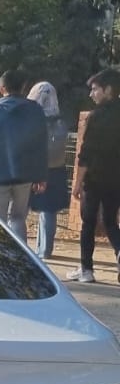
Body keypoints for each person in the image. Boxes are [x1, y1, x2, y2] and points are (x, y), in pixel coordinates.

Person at [67, 67, 120, 284]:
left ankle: (86, 269)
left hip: (95, 178)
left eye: (95, 89)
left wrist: (77, 183)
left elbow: (85, 154)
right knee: (110, 221)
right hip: (116, 179)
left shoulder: (96, 117)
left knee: (88, 223)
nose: (91, 94)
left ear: (108, 89)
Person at [0, 69, 48, 242]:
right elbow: (41, 143)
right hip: (24, 173)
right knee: (18, 218)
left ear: (1, 87)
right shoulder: (35, 109)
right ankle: (21, 256)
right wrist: (41, 175)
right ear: (24, 86)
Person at [27, 81, 70, 261]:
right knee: (49, 211)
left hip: (39, 169)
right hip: (58, 169)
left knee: (28, 211)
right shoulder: (61, 121)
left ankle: (41, 250)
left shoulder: (34, 121)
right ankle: (45, 248)